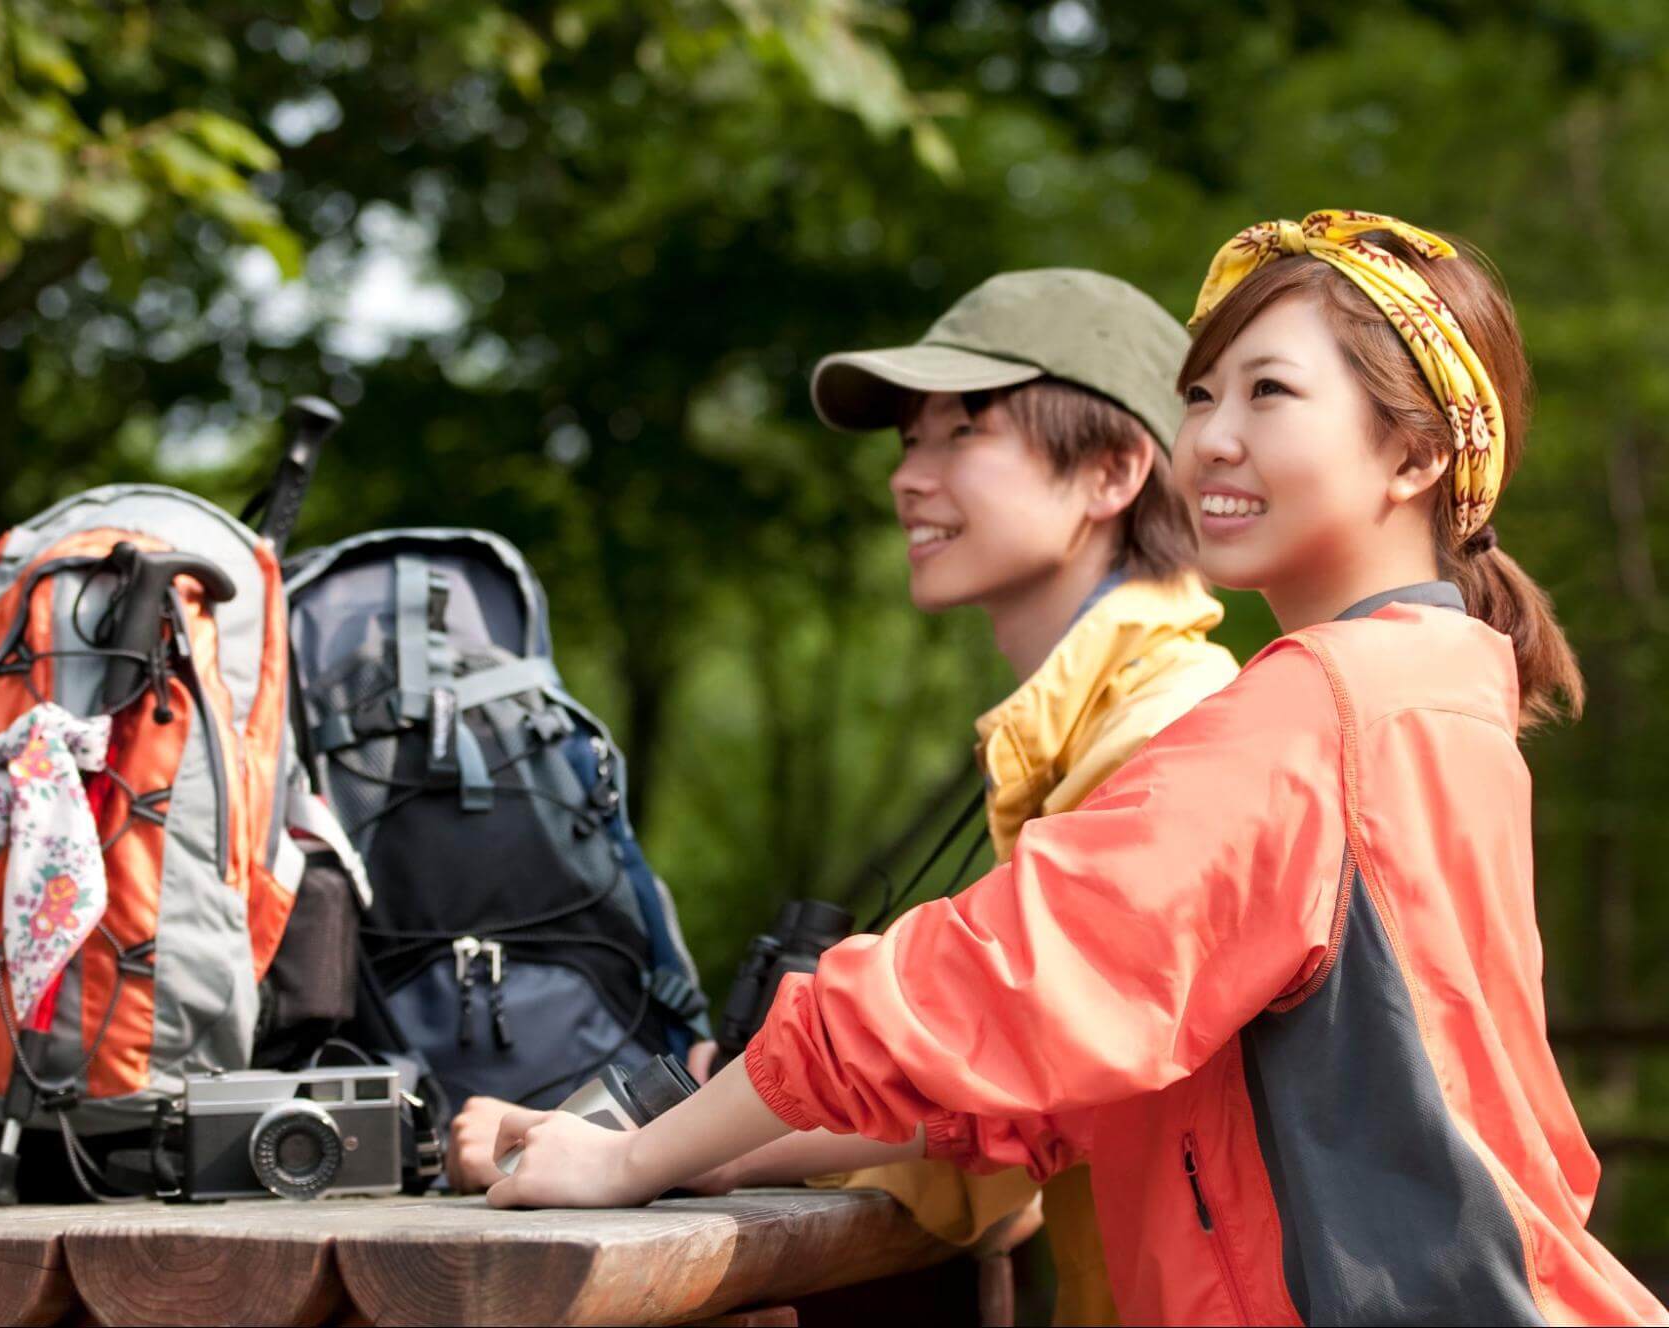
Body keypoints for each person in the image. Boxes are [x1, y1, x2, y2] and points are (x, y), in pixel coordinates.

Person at [486, 211, 1669, 1327]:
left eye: (1269, 391)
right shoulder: (1441, 695)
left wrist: (636, 1154)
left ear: (1411, 452)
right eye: (1199, 393)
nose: (1208, 433)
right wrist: (708, 1130)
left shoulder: (1315, 712)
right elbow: (1049, 1076)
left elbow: (994, 976)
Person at [451, 271, 1238, 1326]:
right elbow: (999, 1105)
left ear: (1110, 469)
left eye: (961, 433)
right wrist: (690, 1122)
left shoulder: (1169, 731)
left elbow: (1023, 1083)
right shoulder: (1077, 734)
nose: (909, 478)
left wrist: (652, 1150)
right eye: (907, 443)